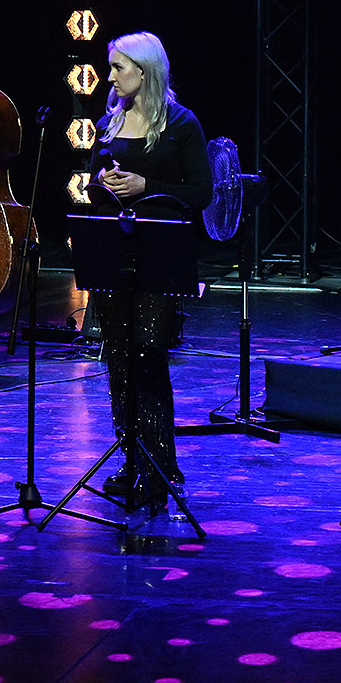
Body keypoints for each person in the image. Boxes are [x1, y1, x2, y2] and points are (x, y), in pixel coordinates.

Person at [86, 32, 212, 513]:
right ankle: (131, 457)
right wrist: (104, 183)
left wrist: (147, 185)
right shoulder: (109, 123)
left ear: (144, 71)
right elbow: (94, 183)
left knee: (148, 353)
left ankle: (160, 465)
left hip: (161, 255)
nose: (110, 77)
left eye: (118, 68)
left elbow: (201, 193)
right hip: (115, 253)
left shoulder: (181, 124)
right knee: (118, 356)